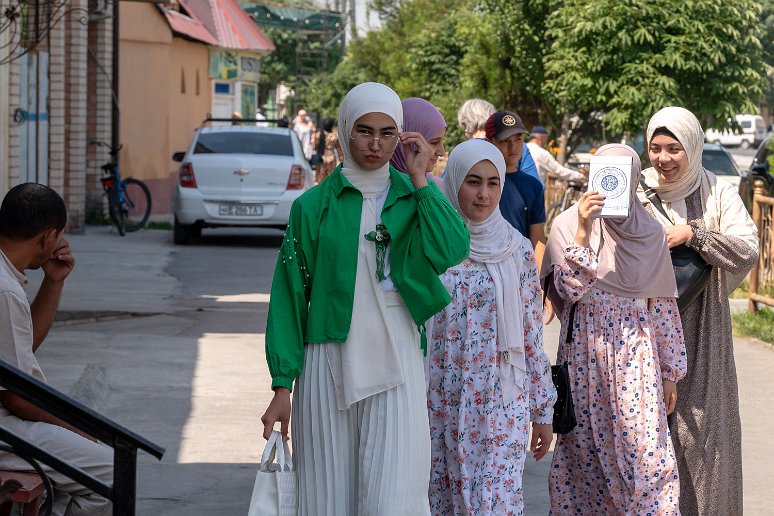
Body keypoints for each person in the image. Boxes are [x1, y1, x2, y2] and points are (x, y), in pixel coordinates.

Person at [260, 82, 469, 515]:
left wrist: (420, 178)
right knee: (325, 496)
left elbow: (453, 250)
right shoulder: (312, 206)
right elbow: (290, 297)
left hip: (398, 356)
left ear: (400, 137)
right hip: (326, 361)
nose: (375, 144)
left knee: (395, 496)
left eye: (387, 133)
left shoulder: (414, 196)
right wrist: (283, 385)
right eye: (364, 131)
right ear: (342, 132)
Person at [542, 144, 687, 514]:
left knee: (648, 458)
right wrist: (584, 229)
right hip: (584, 358)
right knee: (585, 461)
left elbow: (663, 308)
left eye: (622, 175)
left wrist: (670, 372)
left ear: (635, 179)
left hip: (636, 358)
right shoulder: (565, 226)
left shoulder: (650, 233)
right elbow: (570, 290)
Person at [638, 107, 759, 515]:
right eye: (655, 148)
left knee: (703, 442)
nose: (663, 158)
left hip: (703, 333)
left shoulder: (717, 193)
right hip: (642, 337)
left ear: (693, 146)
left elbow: (748, 249)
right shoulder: (635, 192)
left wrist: (695, 234)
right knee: (643, 442)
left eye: (674, 148)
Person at [428, 138, 556, 514]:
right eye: (473, 182)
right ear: (452, 182)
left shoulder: (516, 250)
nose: (484, 194)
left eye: (492, 183)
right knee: (441, 501)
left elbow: (532, 335)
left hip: (500, 401)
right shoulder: (433, 242)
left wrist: (542, 412)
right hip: (438, 398)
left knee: (493, 503)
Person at [0, 183, 112, 515]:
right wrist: (77, 432)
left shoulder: (6, 277)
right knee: (113, 470)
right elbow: (16, 397)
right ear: (49, 237)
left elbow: (20, 346)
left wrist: (54, 280)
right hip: (5, 423)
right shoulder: (5, 289)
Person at [486, 111, 548, 268]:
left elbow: (538, 239)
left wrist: (541, 283)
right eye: (505, 140)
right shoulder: (478, 181)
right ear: (489, 142)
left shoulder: (533, 186)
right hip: (482, 267)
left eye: (518, 139)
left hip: (519, 269)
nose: (513, 146)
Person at [455, 99, 541, 182]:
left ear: (465, 124)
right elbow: (535, 185)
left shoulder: (463, 151)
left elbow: (447, 188)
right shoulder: (520, 146)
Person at [390, 97, 446, 188]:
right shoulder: (376, 189)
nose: (442, 153)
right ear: (406, 140)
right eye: (434, 142)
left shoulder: (439, 188)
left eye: (442, 140)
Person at [310, 117, 343, 184]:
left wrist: (313, 140)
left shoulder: (319, 135)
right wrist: (342, 159)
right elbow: (339, 149)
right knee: (330, 178)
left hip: (321, 158)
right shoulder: (334, 136)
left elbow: (314, 147)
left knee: (320, 178)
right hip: (331, 158)